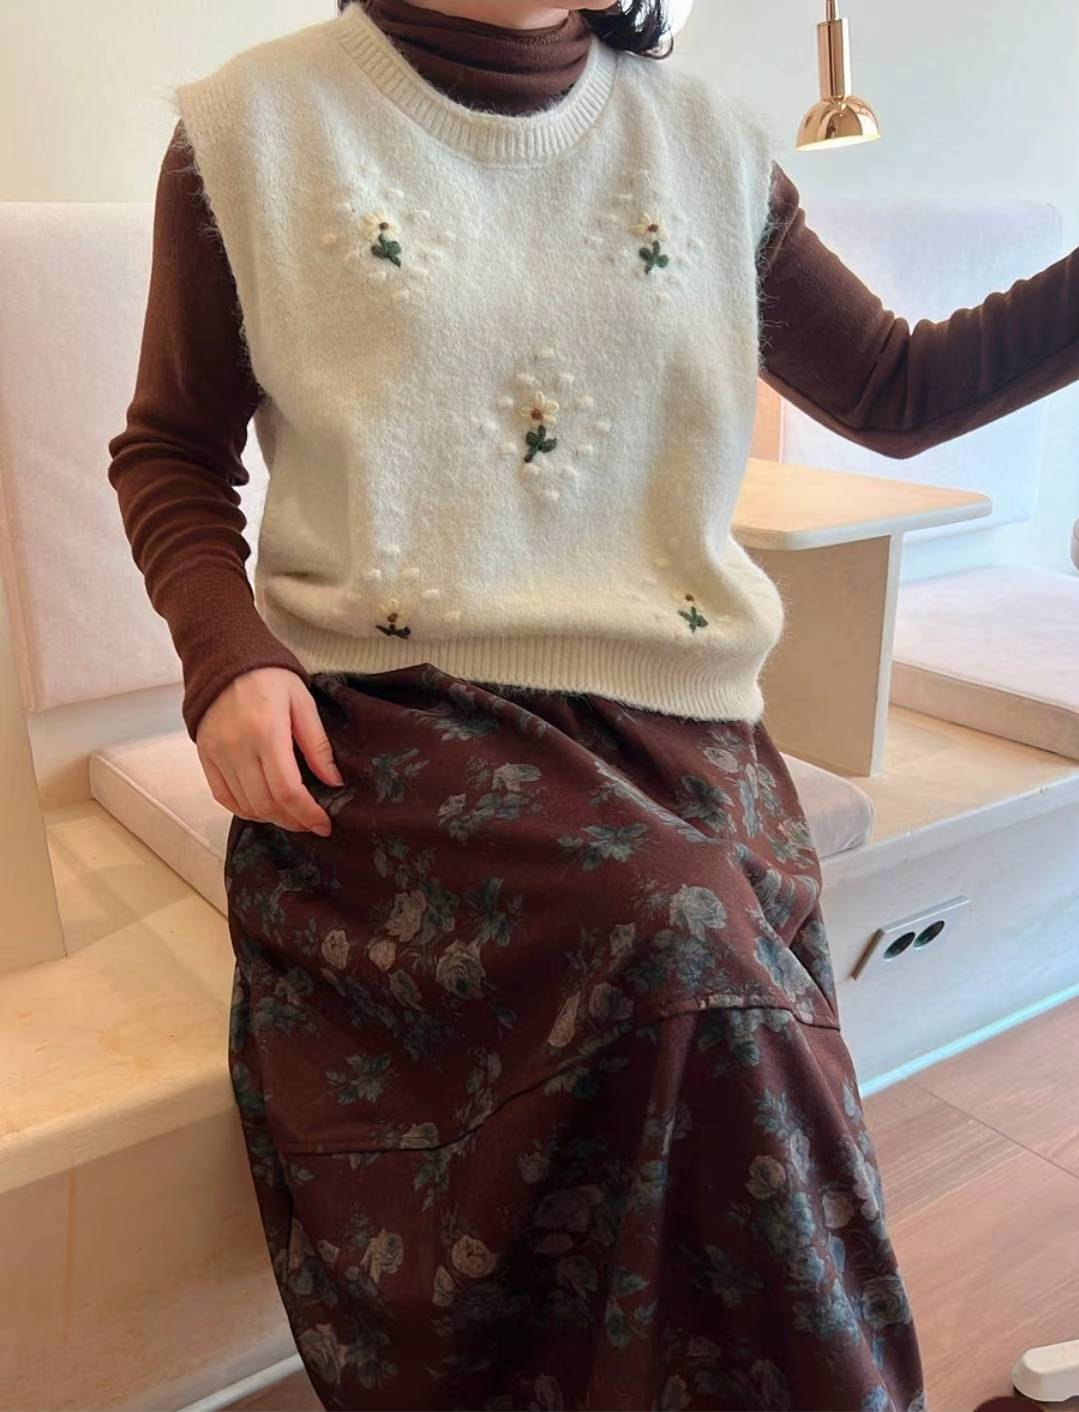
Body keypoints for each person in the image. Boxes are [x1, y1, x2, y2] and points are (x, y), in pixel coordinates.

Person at [106, 2, 1079, 1407]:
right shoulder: (248, 130)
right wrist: (226, 659)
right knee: (684, 946)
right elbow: (169, 450)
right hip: (394, 724)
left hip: (676, 722)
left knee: (712, 969)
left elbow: (897, 384)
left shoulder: (706, 143)